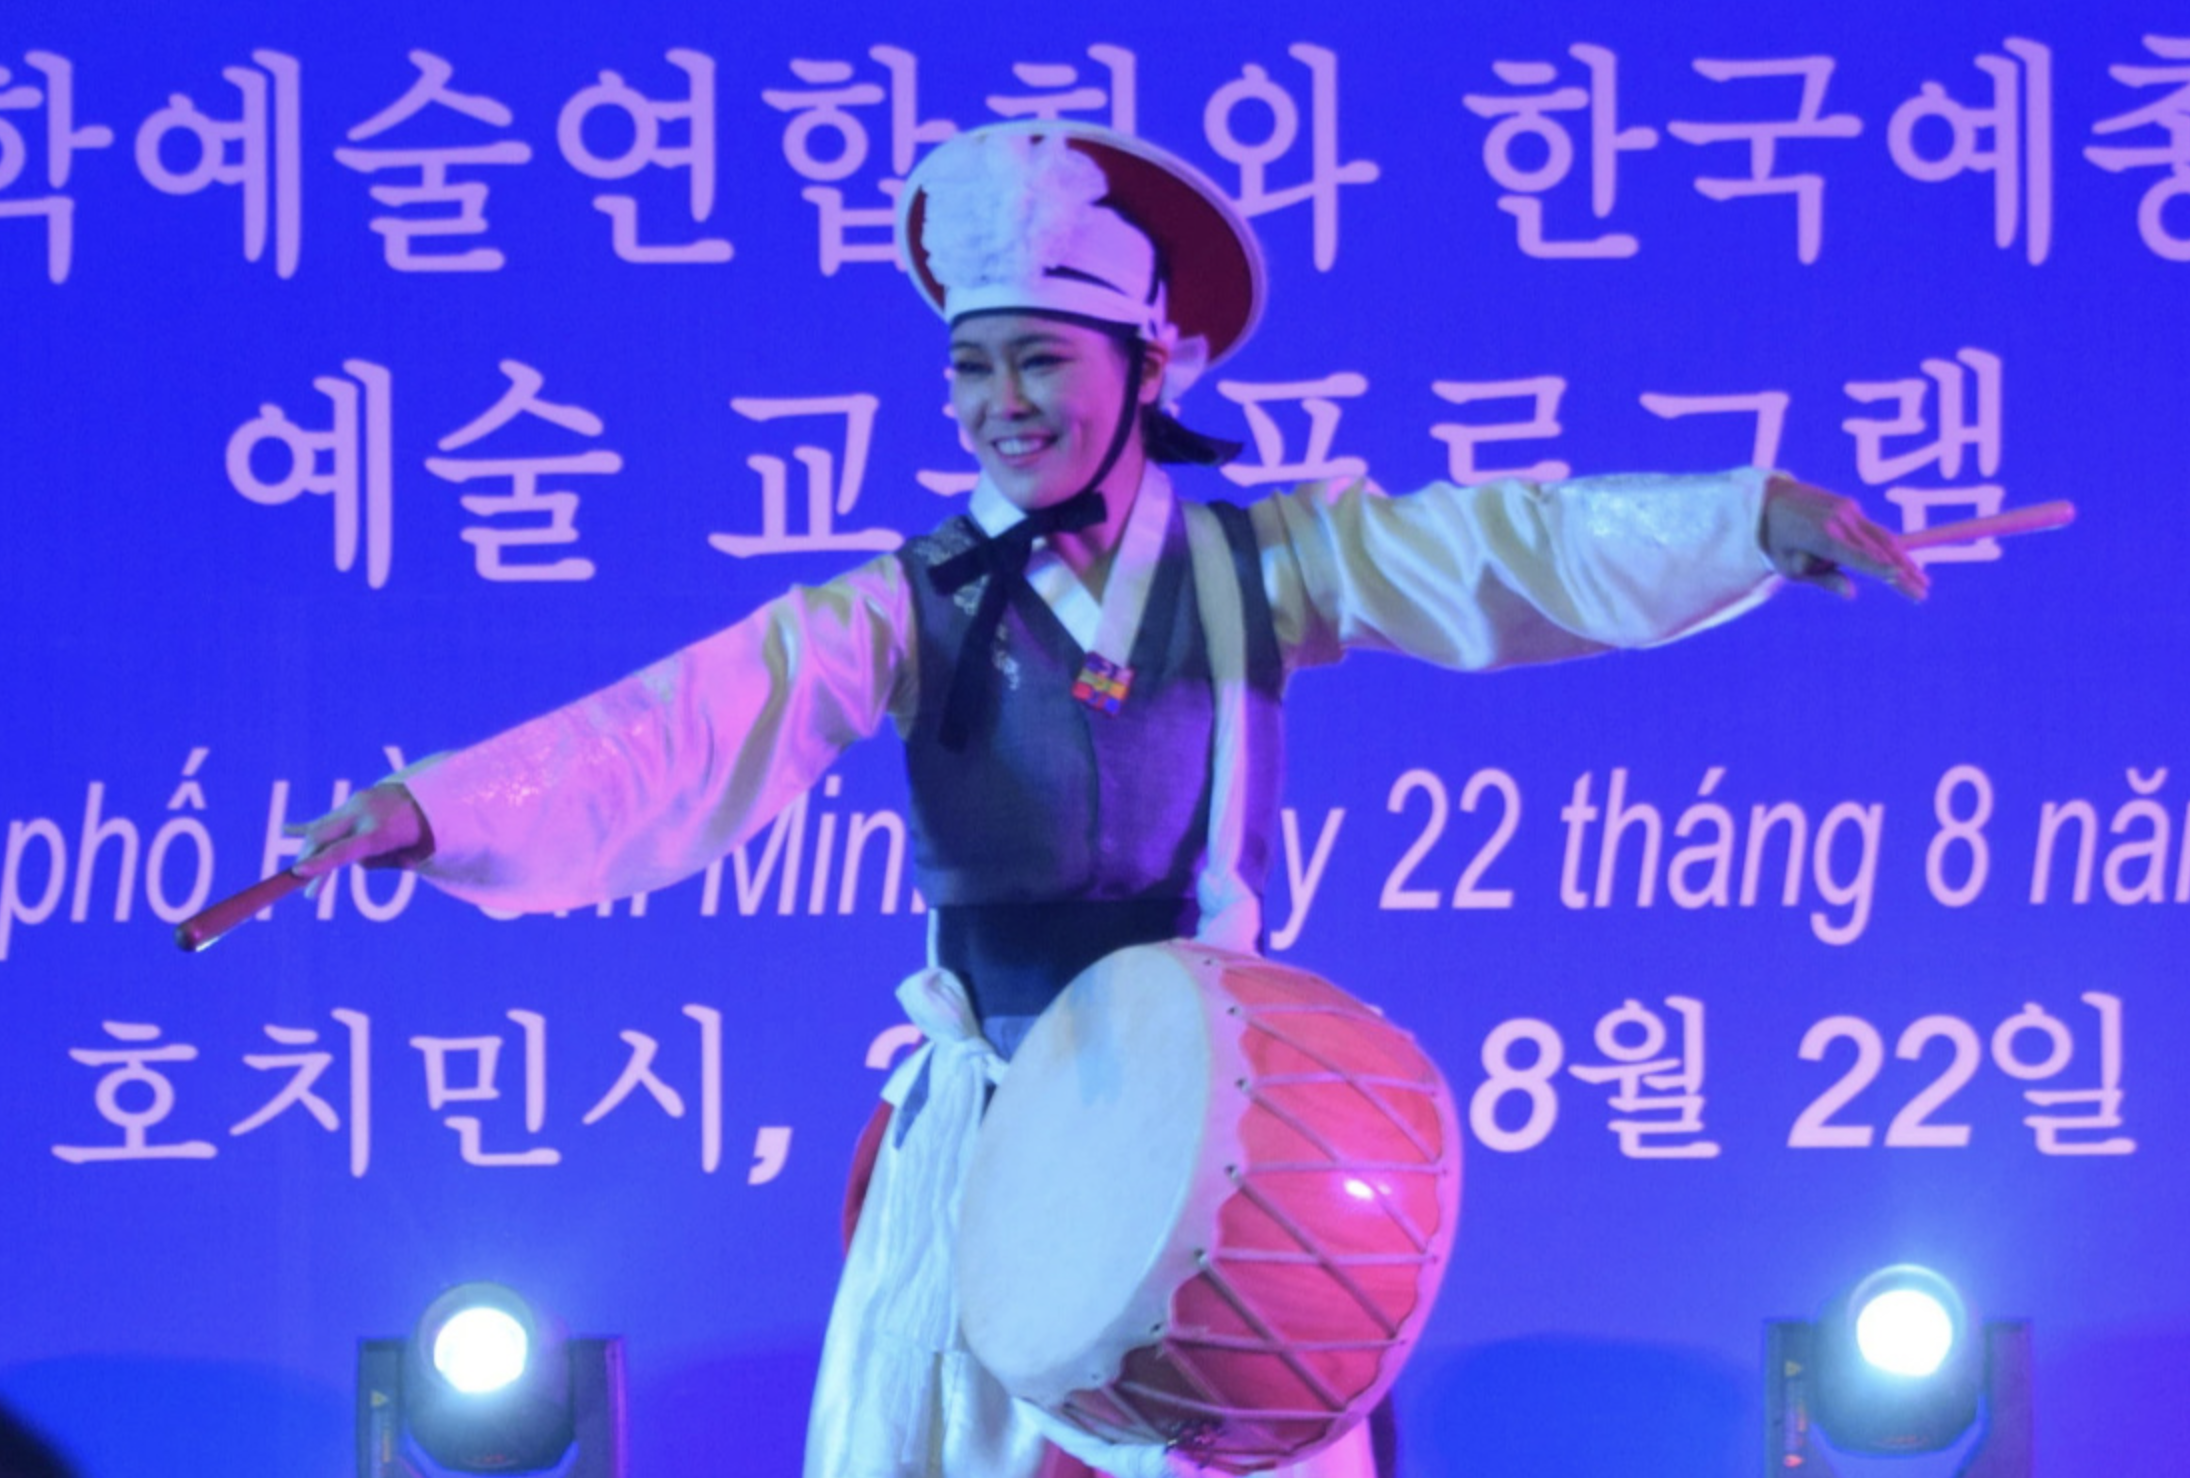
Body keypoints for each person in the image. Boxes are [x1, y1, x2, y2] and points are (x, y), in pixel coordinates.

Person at [292, 123, 1928, 1478]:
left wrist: (1744, 521)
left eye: (1039, 363)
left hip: (1223, 1143)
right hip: (1002, 1128)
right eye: (973, 370)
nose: (1003, 403)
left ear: (1143, 369)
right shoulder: (905, 602)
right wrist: (432, 809)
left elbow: (1506, 546)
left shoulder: (1263, 563)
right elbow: (678, 724)